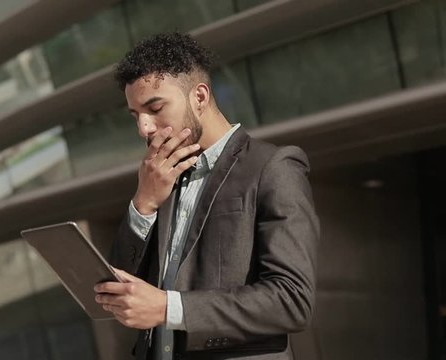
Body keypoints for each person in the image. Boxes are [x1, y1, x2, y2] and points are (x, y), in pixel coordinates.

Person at [94, 32, 320, 360]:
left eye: (154, 108)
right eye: (135, 115)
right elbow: (121, 286)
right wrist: (143, 203)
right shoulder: (161, 179)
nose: (144, 128)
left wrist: (168, 308)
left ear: (199, 97)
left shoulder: (273, 167)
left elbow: (292, 300)